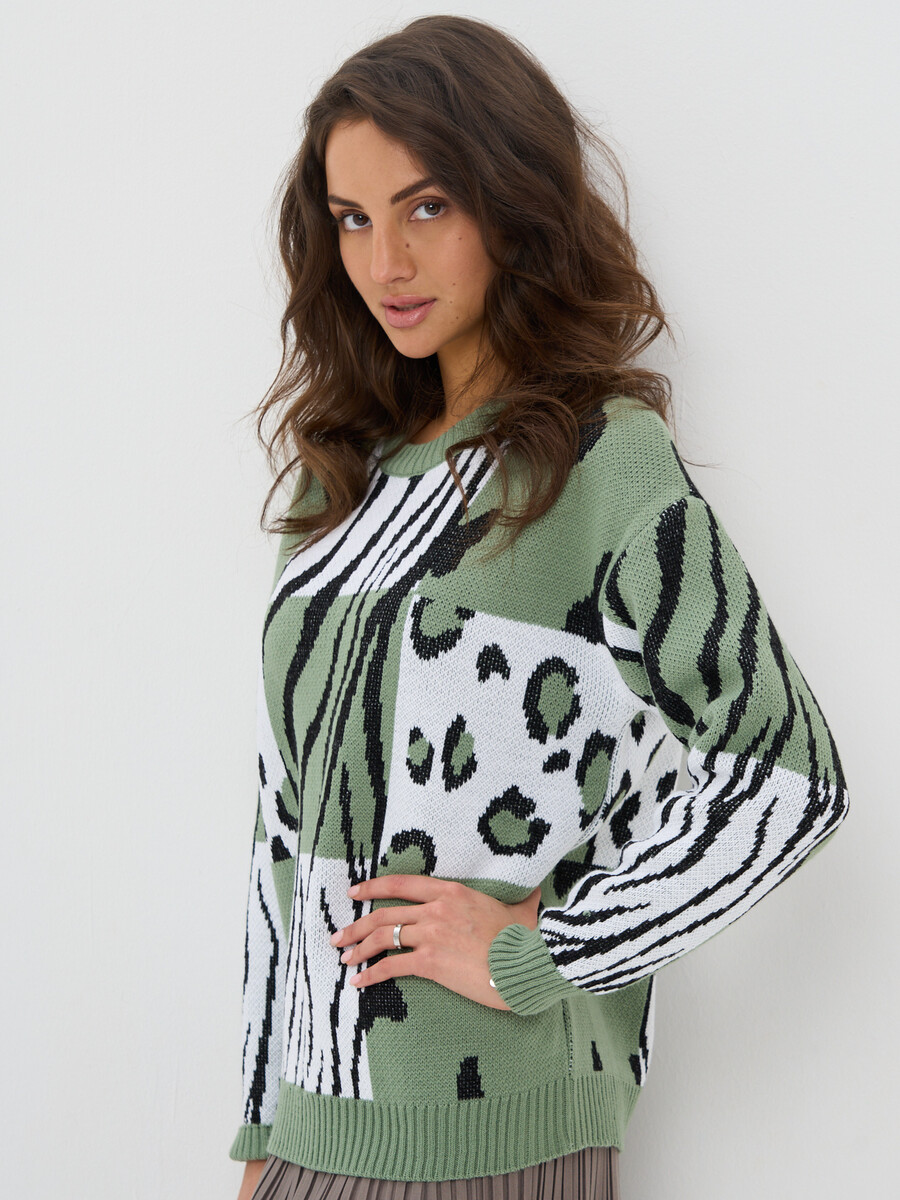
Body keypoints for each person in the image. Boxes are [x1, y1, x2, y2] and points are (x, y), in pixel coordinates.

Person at [230, 15, 849, 1200]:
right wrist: (262, 1129)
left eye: (425, 207)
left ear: (510, 202)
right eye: (352, 220)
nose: (384, 263)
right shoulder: (338, 480)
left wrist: (543, 950)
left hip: (498, 1138)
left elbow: (789, 777)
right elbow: (280, 823)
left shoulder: (598, 463)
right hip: (314, 1129)